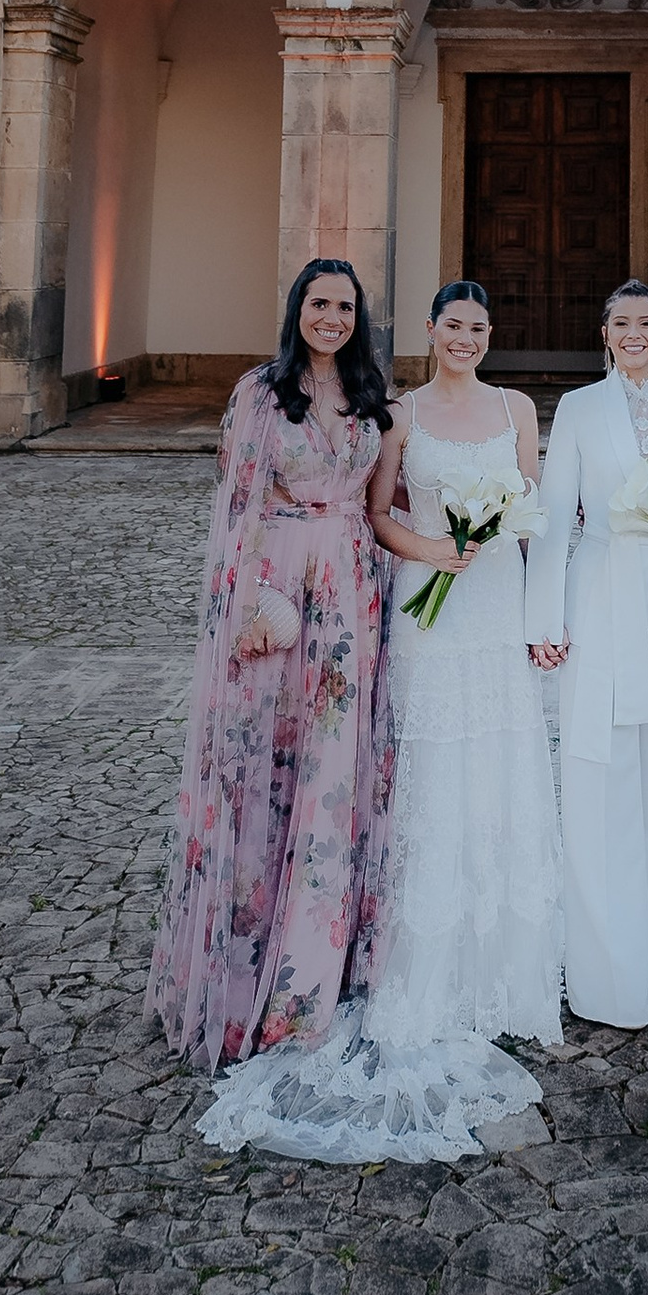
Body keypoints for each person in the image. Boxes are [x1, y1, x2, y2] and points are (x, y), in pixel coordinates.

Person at [197, 276, 566, 1160]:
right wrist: (436, 550)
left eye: (480, 326)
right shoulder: (383, 409)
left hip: (443, 604)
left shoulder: (417, 403)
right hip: (369, 598)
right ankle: (307, 955)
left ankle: (486, 960)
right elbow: (371, 510)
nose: (466, 337)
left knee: (456, 770)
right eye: (452, 324)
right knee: (394, 769)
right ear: (431, 331)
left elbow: (534, 510)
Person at [144, 258, 393, 1068]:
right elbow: (237, 504)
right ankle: (247, 958)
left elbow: (384, 502)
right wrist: (248, 601)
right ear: (297, 311)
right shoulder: (259, 393)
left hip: (352, 596)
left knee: (334, 770)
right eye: (319, 303)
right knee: (263, 764)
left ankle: (320, 967)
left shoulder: (368, 396)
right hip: (280, 598)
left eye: (345, 306)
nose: (332, 317)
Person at [529, 280, 648, 1028]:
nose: (635, 333)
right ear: (605, 336)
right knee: (601, 787)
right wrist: (543, 617)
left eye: (647, 322)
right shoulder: (578, 409)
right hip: (598, 601)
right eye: (622, 323)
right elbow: (550, 519)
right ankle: (607, 975)